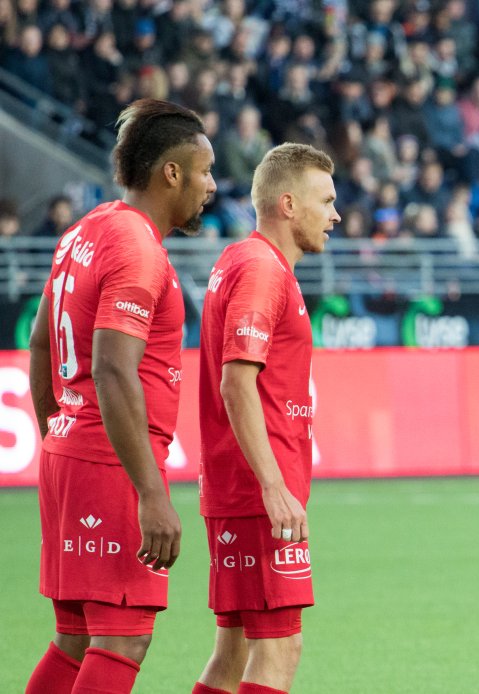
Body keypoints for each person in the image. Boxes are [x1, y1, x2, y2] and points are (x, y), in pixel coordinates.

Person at [25, 98, 215, 693]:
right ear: (171, 172)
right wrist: (152, 493)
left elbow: (38, 346)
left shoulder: (87, 230)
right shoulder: (136, 249)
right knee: (123, 637)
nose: (211, 186)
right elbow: (112, 369)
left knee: (77, 640)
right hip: (110, 464)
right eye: (205, 171)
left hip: (72, 453)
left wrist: (59, 431)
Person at [191, 143, 340, 694]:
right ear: (288, 204)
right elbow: (237, 380)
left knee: (232, 653)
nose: (335, 214)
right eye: (325, 201)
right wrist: (274, 487)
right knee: (280, 646)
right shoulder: (261, 271)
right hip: (258, 494)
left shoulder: (242, 260)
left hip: (237, 488)